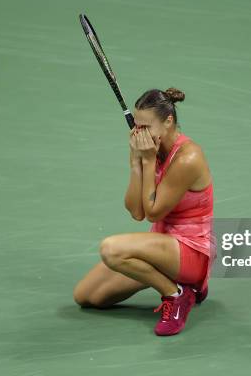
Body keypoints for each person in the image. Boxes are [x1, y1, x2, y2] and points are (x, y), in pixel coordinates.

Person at [73, 87, 214, 336]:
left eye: (146, 126)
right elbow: (136, 211)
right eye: (137, 126)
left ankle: (176, 294)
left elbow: (153, 213)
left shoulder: (188, 158)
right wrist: (135, 163)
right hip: (162, 248)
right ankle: (182, 286)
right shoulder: (151, 147)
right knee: (86, 296)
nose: (140, 133)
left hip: (191, 252)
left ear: (168, 121)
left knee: (111, 249)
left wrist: (148, 162)